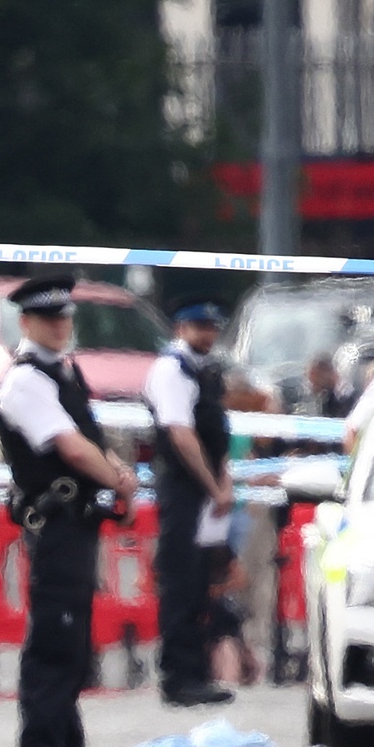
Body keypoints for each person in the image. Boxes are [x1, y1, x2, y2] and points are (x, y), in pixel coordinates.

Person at [0, 276, 139, 747]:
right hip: (54, 523)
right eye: (50, 318)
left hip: (77, 525)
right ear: (27, 322)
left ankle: (68, 746)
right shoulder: (26, 379)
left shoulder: (62, 372)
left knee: (72, 638)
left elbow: (89, 437)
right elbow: (70, 448)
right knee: (54, 638)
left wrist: (118, 473)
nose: (60, 326)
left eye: (65, 317)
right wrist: (119, 479)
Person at [145, 299, 236, 708]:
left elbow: (218, 435)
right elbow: (181, 435)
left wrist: (223, 482)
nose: (207, 334)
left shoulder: (204, 370)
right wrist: (213, 486)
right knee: (180, 582)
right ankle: (178, 676)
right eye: (199, 327)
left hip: (205, 489)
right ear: (180, 328)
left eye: (211, 326)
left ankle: (196, 672)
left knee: (201, 582)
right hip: (184, 489)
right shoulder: (171, 370)